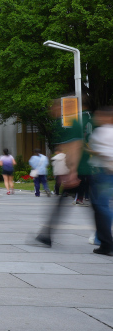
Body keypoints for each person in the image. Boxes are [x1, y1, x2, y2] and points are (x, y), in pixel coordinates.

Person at [36, 99, 86, 247]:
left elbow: (75, 147)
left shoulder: (72, 123)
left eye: (56, 107)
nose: (53, 110)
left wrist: (73, 171)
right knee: (62, 203)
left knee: (97, 206)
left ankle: (106, 239)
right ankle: (47, 234)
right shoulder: (62, 124)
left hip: (81, 171)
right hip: (77, 171)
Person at [88, 106, 113, 256]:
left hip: (103, 172)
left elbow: (104, 152)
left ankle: (106, 242)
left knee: (101, 206)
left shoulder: (103, 131)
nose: (96, 118)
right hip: (107, 172)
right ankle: (103, 240)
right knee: (102, 206)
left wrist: (91, 150)